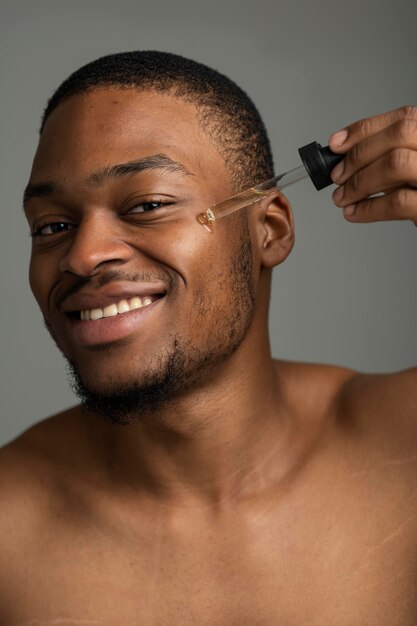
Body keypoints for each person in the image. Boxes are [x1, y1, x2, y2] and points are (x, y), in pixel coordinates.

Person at [0, 50, 416, 625]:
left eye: (147, 204)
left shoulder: (406, 444)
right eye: (52, 226)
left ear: (268, 231)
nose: (83, 255)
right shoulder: (8, 534)